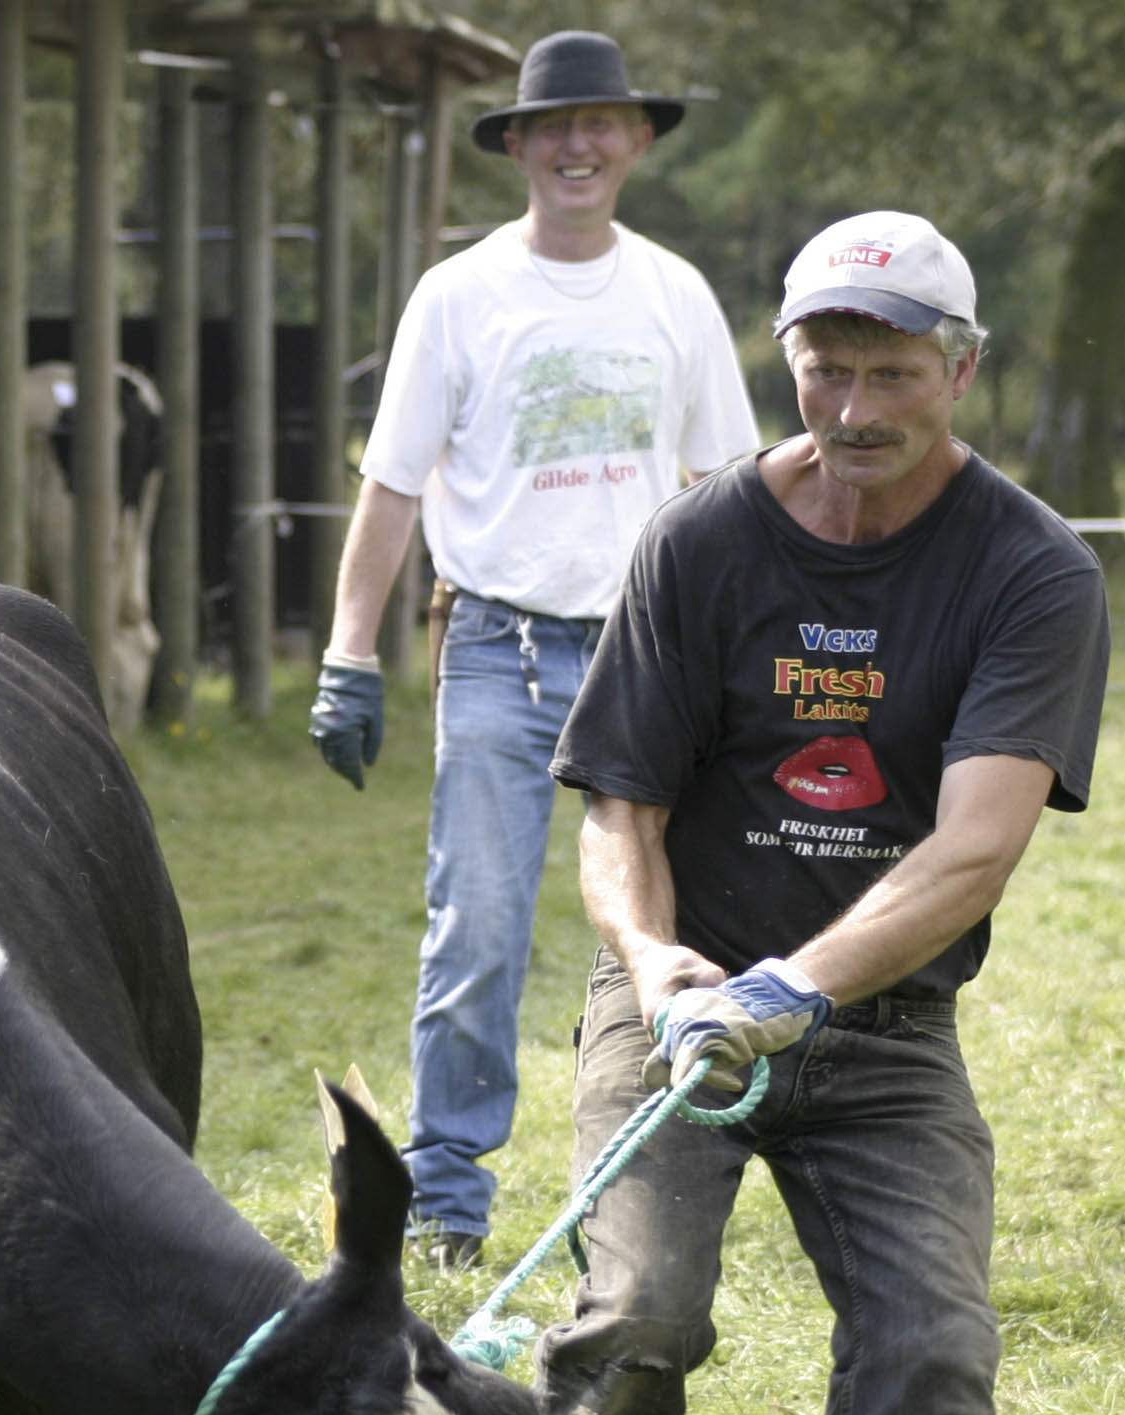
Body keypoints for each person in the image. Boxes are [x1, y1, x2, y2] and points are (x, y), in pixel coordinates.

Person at [449, 211, 1108, 1415]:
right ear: (785, 358)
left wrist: (793, 987)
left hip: (874, 1029)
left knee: (928, 1342)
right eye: (827, 364)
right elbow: (618, 813)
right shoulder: (700, 543)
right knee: (640, 1310)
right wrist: (660, 964)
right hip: (677, 1009)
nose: (855, 400)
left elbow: (971, 848)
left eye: (894, 369)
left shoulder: (1027, 570)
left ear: (959, 369)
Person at [309, 30, 760, 1270]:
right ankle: (449, 1202)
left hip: (649, 654)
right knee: (481, 929)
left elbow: (725, 487)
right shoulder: (458, 295)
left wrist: (748, 653)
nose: (576, 145)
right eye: (551, 126)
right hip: (498, 649)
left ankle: (642, 1181)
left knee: (665, 919)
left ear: (638, 141)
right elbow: (392, 486)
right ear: (514, 145)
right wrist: (352, 653)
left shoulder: (674, 295)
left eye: (600, 123)